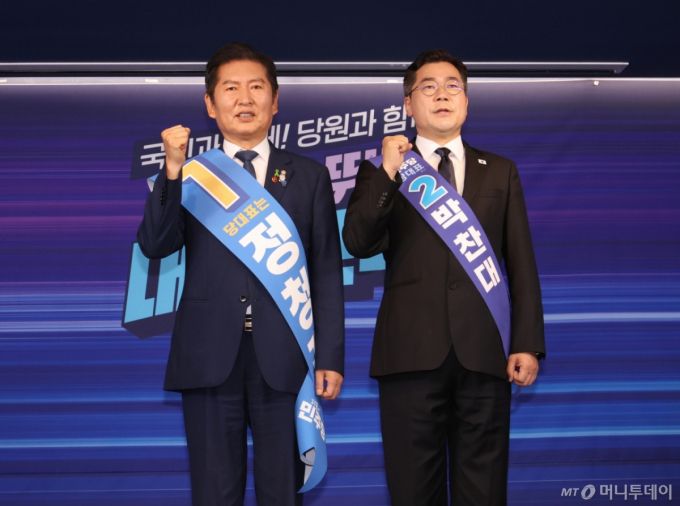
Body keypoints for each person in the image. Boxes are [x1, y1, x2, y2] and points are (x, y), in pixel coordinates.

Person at [137, 42, 345, 506]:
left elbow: (326, 271)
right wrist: (172, 170)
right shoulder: (193, 174)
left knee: (282, 491)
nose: (245, 99)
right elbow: (155, 244)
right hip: (209, 355)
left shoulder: (308, 176)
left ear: (275, 100)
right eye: (231, 89)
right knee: (214, 492)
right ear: (210, 104)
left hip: (284, 356)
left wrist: (330, 357)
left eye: (256, 87)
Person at [342, 49, 545, 505]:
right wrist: (389, 171)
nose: (442, 95)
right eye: (428, 87)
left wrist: (527, 343)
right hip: (409, 355)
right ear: (408, 104)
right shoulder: (382, 171)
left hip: (485, 354)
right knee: (413, 491)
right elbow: (357, 241)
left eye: (453, 86)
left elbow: (521, 263)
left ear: (466, 102)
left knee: (484, 490)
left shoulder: (500, 171)